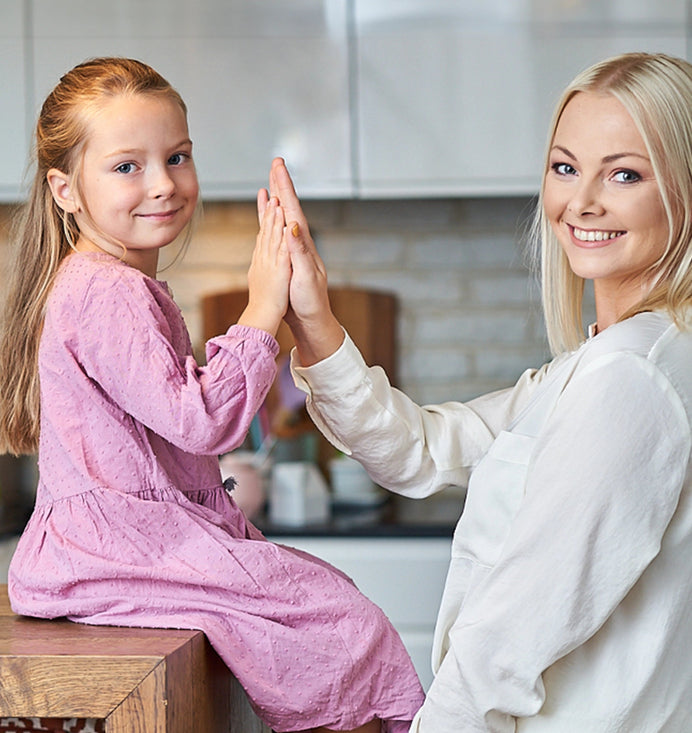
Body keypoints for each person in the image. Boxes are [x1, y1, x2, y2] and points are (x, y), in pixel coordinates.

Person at [0, 57, 425, 733]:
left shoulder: (110, 282)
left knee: (324, 610)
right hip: (118, 550)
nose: (162, 183)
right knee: (339, 619)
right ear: (65, 189)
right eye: (127, 166)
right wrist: (262, 306)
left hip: (122, 546)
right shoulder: (107, 288)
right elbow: (202, 419)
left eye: (177, 156)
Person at [267, 51, 692, 731]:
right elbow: (425, 448)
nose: (581, 200)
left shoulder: (630, 380)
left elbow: (505, 642)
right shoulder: (618, 358)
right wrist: (315, 322)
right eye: (565, 166)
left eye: (625, 173)